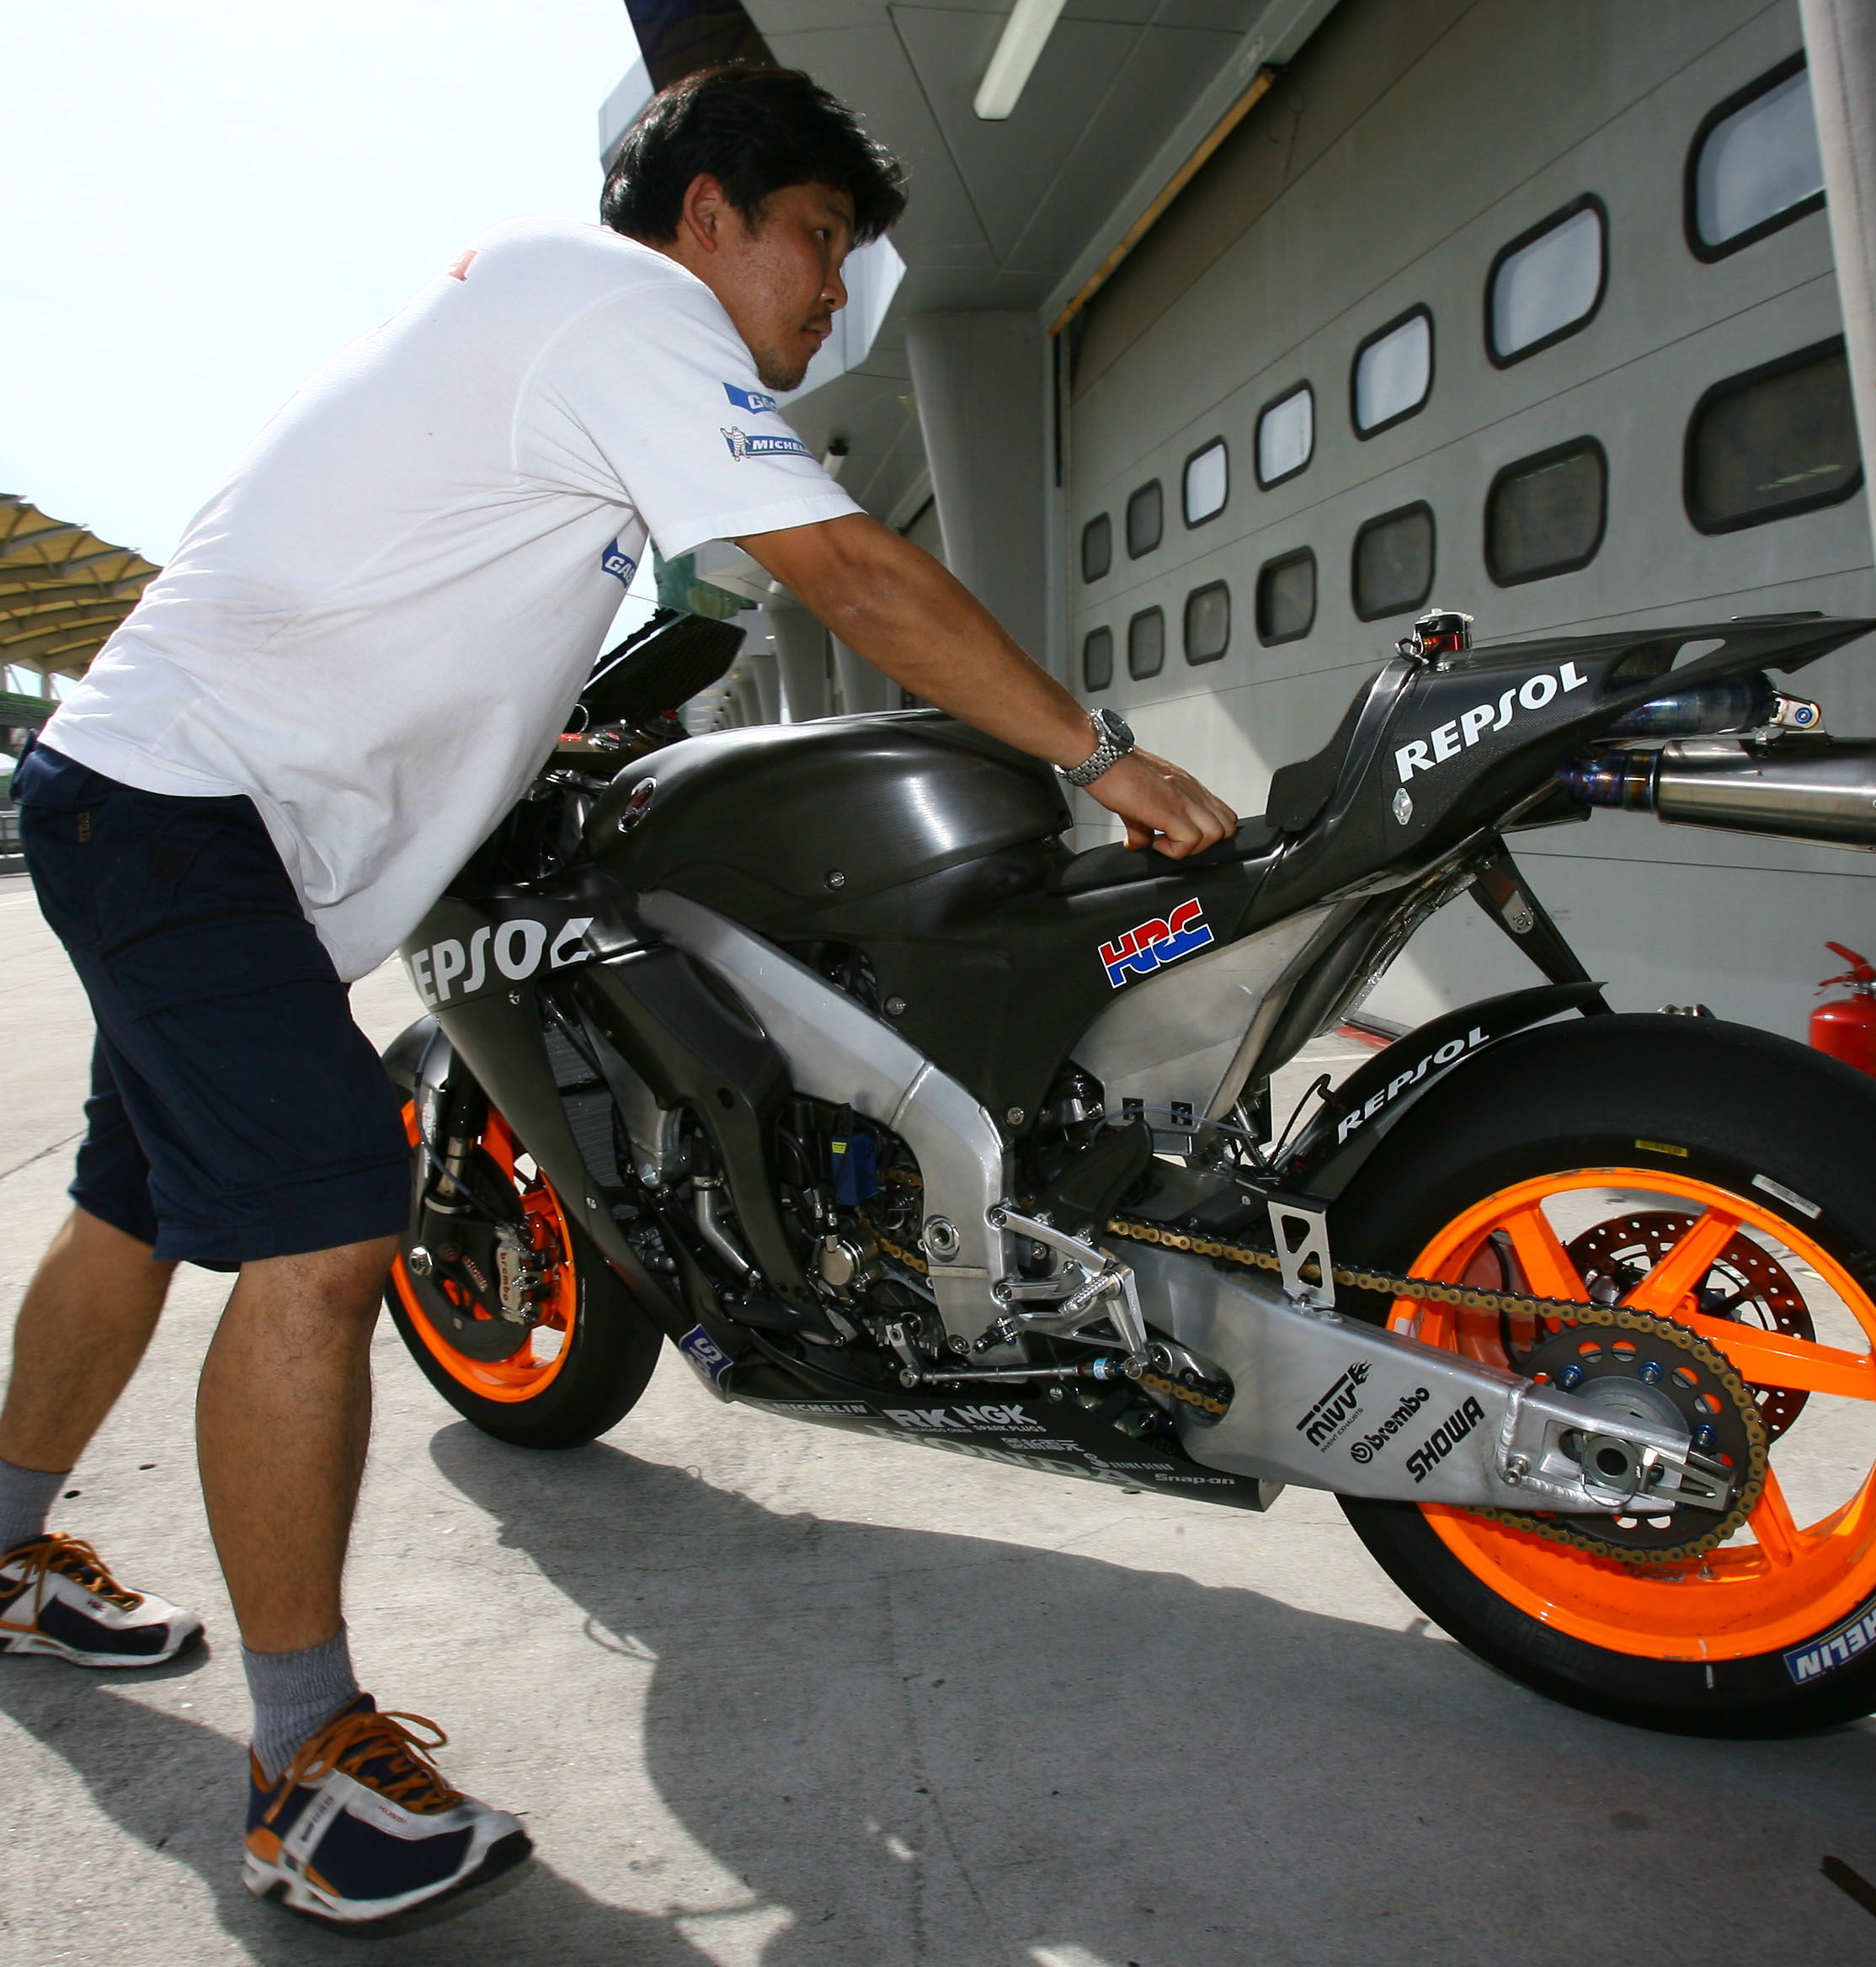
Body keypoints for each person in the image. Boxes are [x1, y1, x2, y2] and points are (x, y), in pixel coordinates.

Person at [0, 62, 1237, 1927]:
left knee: (131, 1203)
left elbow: (433, 598)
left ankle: (1, 1554)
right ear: (709, 213)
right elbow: (842, 568)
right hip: (186, 812)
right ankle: (305, 1759)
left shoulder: (557, 340)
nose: (834, 290)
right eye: (819, 237)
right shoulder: (623, 307)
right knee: (332, 1219)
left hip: (177, 807)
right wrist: (1100, 749)